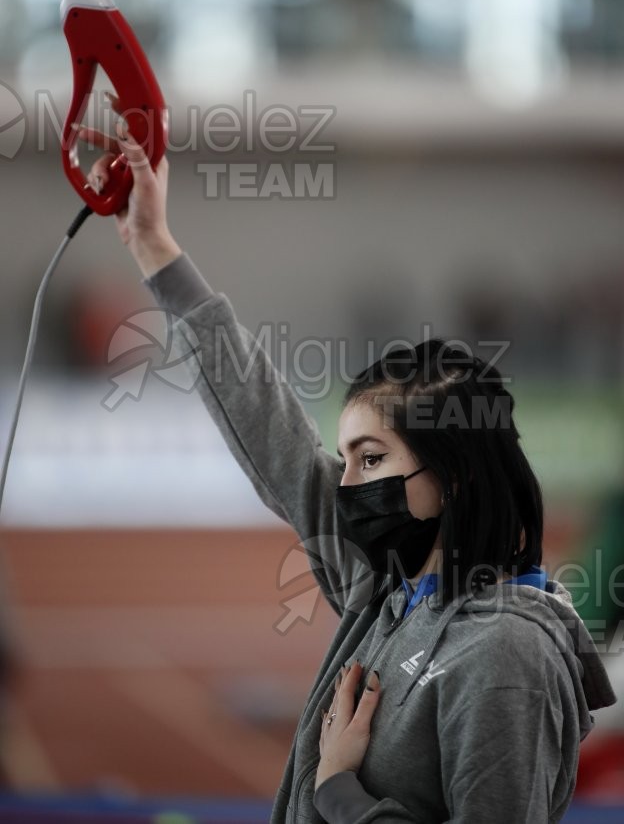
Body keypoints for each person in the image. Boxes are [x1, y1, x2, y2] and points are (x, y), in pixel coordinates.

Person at [79, 115, 617, 823]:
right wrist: (153, 245)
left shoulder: (507, 655)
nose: (346, 481)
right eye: (347, 456)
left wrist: (338, 792)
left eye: (371, 458)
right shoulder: (385, 586)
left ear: (454, 477)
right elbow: (270, 430)